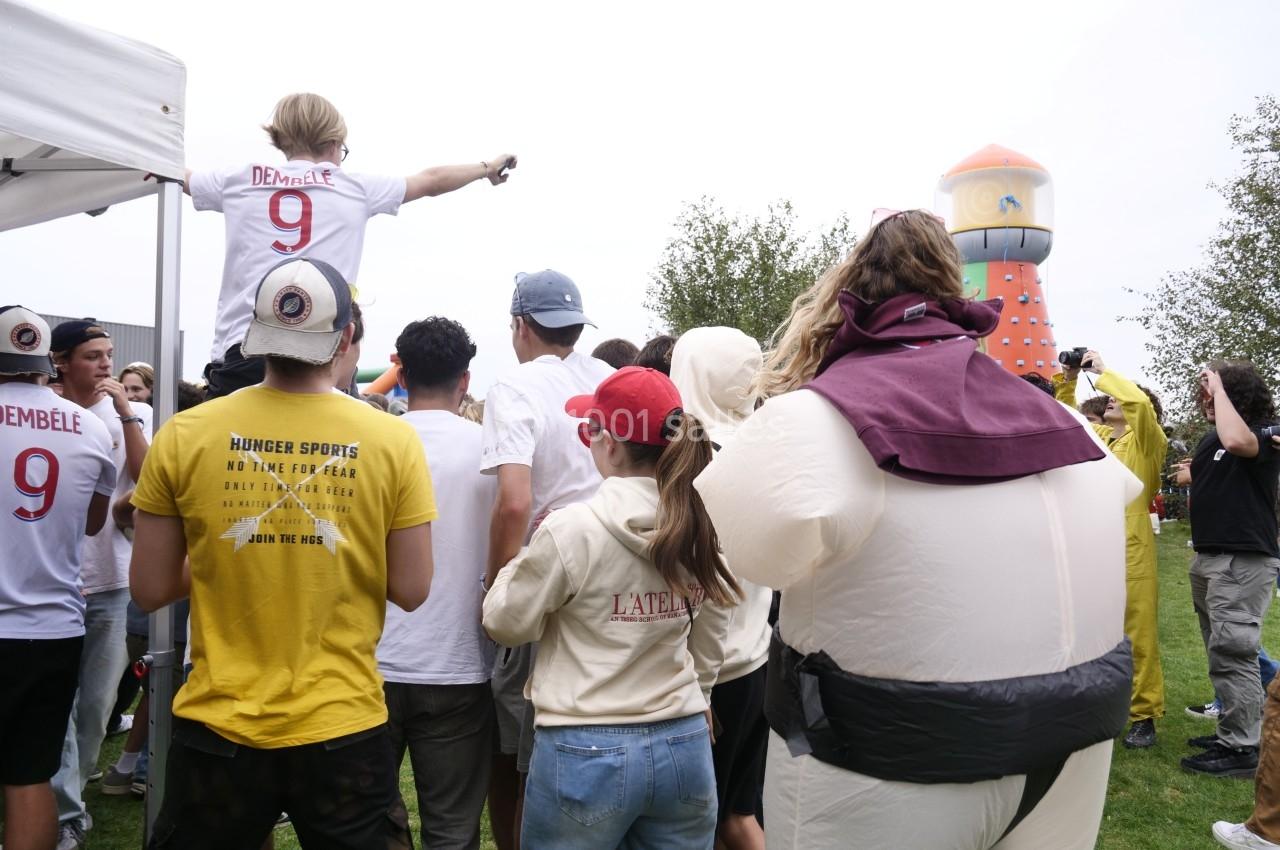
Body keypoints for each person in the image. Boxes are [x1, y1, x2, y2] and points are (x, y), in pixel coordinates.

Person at [694, 209, 1141, 850]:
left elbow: (752, 557)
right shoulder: (1066, 421)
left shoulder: (807, 422)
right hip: (1073, 753)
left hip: (887, 769)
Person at [129, 257, 437, 849]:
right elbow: (412, 587)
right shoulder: (392, 438)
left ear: (257, 333)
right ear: (346, 336)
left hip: (219, 726)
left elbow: (149, 587)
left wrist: (225, 556)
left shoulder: (184, 433)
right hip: (343, 723)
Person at [483, 366, 735, 849]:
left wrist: (518, 562)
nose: (590, 442)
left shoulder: (571, 530)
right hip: (682, 740)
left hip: (584, 744)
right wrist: (698, 693)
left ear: (613, 445)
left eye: (590, 430)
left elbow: (505, 623)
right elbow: (714, 626)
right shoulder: (700, 526)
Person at [186, 92, 516, 399]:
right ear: (334, 143)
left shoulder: (238, 181)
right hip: (324, 355)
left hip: (245, 347)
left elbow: (178, 175)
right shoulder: (354, 188)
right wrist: (486, 168)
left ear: (280, 139)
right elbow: (430, 181)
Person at [480, 270, 614, 849]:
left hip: (548, 580)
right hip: (617, 578)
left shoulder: (514, 386)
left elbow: (514, 502)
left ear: (519, 326)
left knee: (523, 755)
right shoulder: (610, 378)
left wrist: (498, 588)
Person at [377, 317, 497, 850]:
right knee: (453, 828)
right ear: (465, 380)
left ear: (400, 374)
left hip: (373, 658)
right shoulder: (492, 452)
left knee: (372, 823)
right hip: (459, 660)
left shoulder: (372, 444)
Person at [0, 306, 115, 850]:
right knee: (29, 775)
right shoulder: (92, 426)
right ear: (45, 360)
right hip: (50, 625)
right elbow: (93, 522)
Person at [46, 319, 153, 850]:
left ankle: (74, 789)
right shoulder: (44, 411)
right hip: (58, 580)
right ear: (61, 361)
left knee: (98, 703)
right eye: (93, 356)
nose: (107, 365)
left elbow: (148, 475)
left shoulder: (124, 412)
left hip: (111, 577)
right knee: (60, 703)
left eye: (109, 354)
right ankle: (65, 807)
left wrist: (128, 412)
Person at [670, 327, 769, 850]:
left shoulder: (695, 458)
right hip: (755, 653)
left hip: (709, 670)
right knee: (739, 813)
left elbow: (708, 573)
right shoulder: (765, 446)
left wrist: (698, 686)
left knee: (698, 825)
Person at [1170, 361, 1280, 779]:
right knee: (1221, 650)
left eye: (1210, 392)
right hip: (1210, 556)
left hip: (1242, 558)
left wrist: (1219, 387)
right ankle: (1231, 731)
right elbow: (1210, 469)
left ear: (1234, 394)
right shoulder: (1213, 436)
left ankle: (1243, 748)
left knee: (1234, 651)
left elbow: (1238, 443)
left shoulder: (1267, 432)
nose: (1205, 400)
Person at [1054, 351, 1168, 748]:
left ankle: (1144, 715)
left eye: (1122, 397)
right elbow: (1065, 420)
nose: (1113, 399)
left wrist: (1103, 370)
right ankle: (1094, 703)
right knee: (1088, 628)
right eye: (1111, 396)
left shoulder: (1151, 443)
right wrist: (1069, 378)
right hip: (1094, 544)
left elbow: (1136, 403)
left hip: (1132, 548)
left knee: (1137, 633)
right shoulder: (1102, 439)